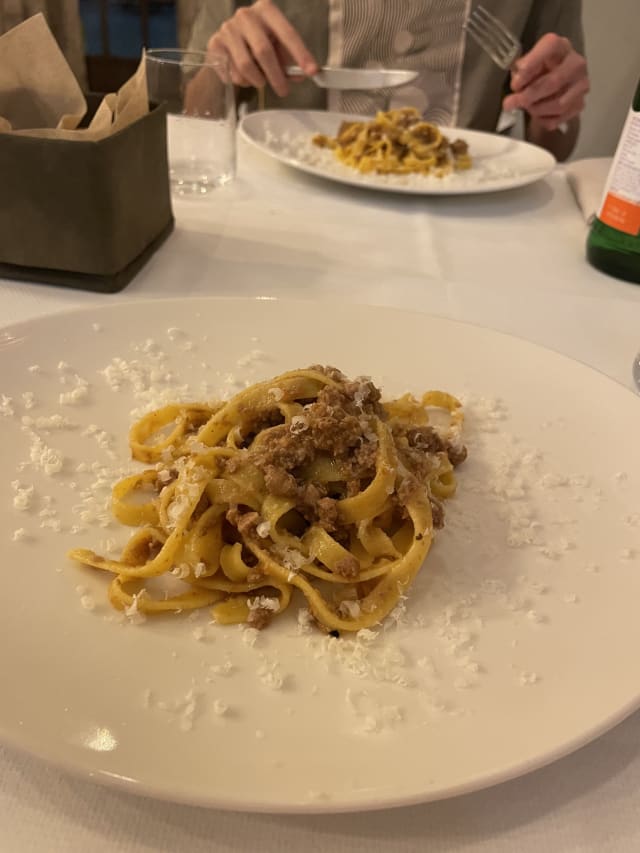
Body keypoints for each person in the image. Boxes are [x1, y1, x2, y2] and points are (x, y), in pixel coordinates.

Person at [187, 0, 589, 161]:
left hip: (464, 212)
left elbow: (557, 144)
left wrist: (554, 106)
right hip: (288, 204)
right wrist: (220, 67)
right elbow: (193, 113)